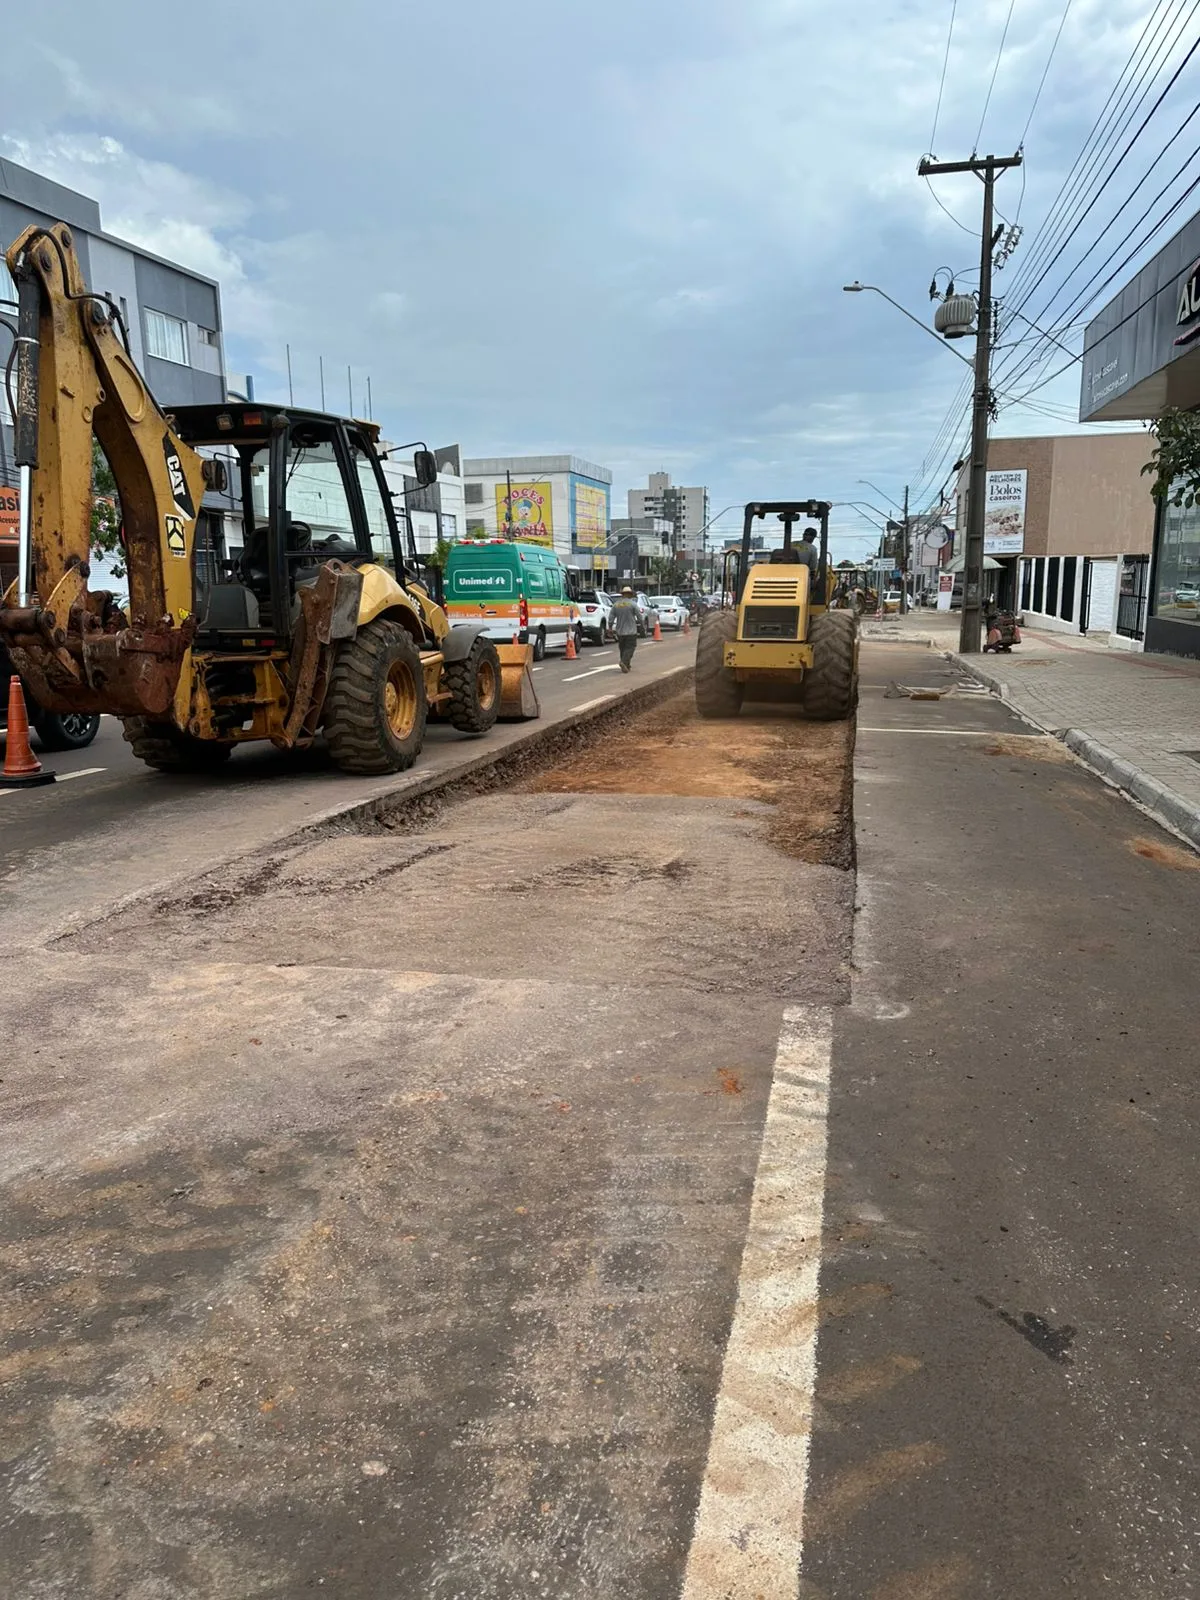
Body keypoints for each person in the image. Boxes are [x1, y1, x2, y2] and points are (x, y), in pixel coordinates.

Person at [609, 585, 640, 672]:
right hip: (631, 631)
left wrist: (610, 628)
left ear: (622, 594)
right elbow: (639, 616)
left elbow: (611, 617)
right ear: (630, 594)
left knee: (622, 648)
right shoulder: (633, 604)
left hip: (620, 631)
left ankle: (627, 665)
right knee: (630, 648)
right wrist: (641, 625)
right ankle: (623, 662)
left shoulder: (616, 605)